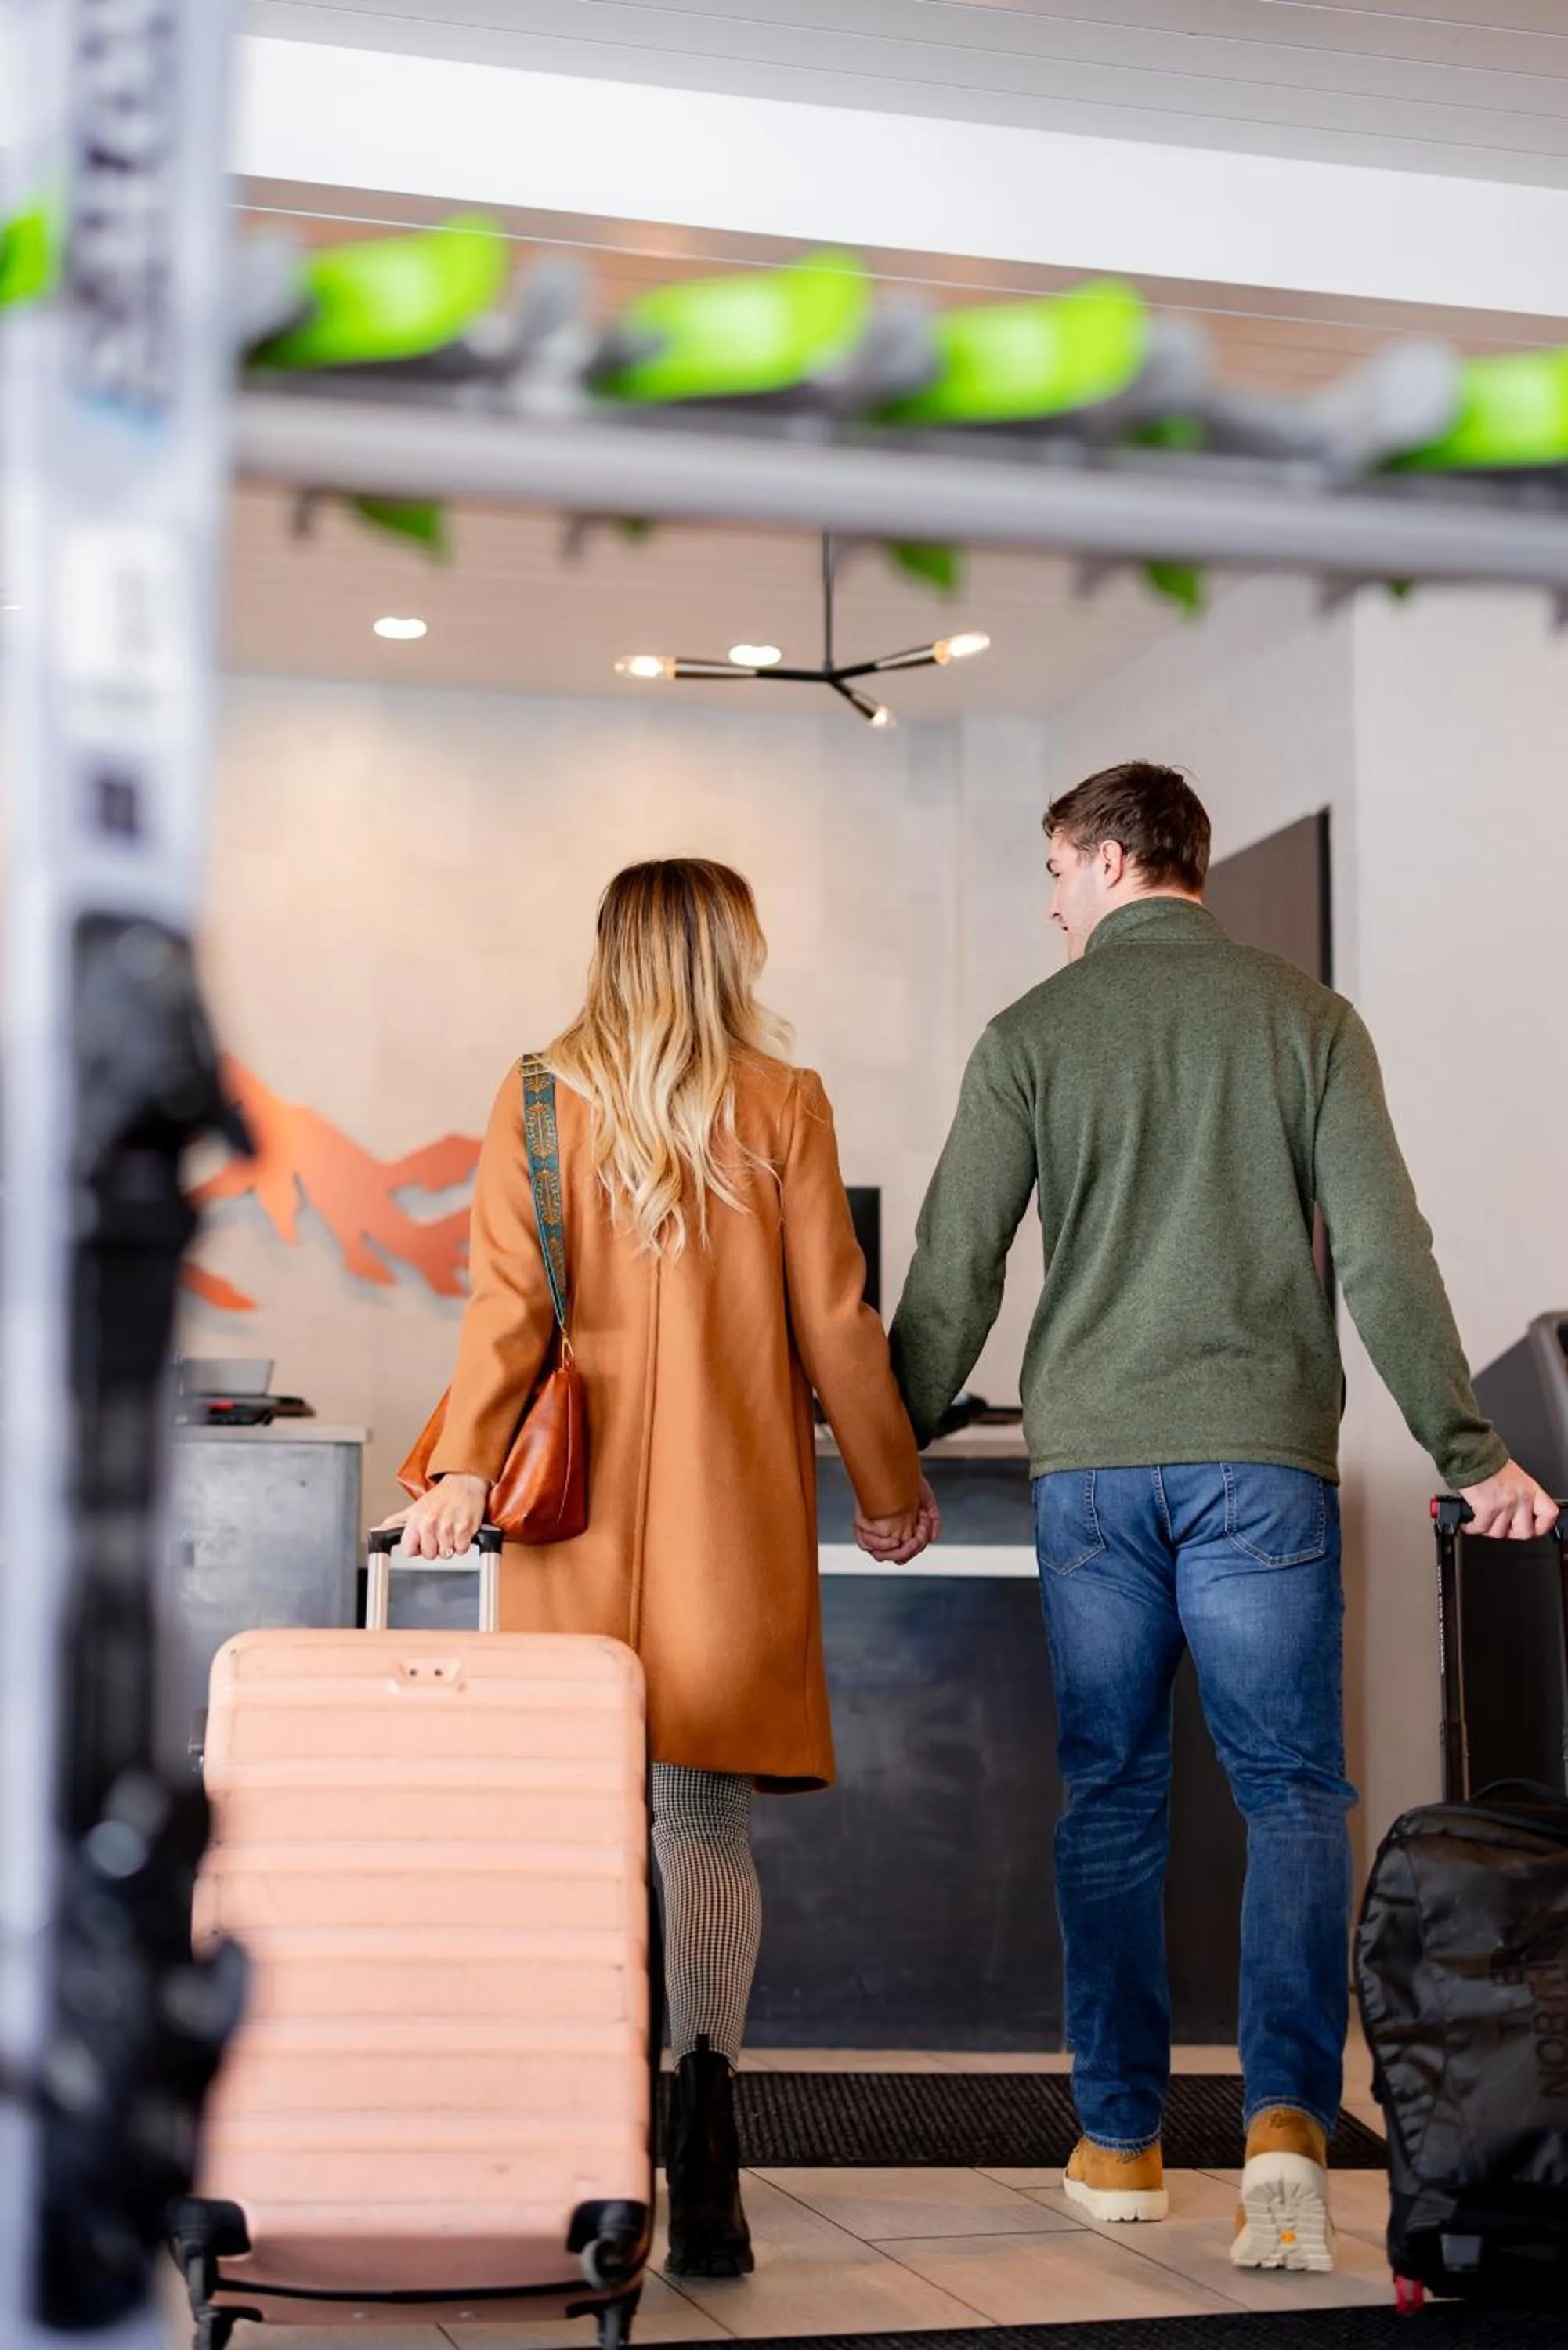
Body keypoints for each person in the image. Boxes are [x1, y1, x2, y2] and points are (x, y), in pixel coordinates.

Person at [884, 761, 1555, 2275]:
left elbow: (952, 1273)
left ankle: (1119, 2146)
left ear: (1115, 860)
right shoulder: (1305, 1020)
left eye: (1055, 867)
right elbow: (1387, 1253)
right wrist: (1469, 1449)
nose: (1050, 899)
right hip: (1261, 1466)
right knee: (1291, 1794)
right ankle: (1282, 2137)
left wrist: (889, 1446)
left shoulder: (1030, 1036)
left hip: (1094, 1479)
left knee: (1110, 1795)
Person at [384, 857, 938, 2280]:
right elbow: (834, 1316)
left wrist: (457, 1471)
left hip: (569, 1527)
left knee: (573, 1832)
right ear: (726, 952)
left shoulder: (533, 1096)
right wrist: (886, 1481)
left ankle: (578, 2146)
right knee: (700, 1829)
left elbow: (504, 1310)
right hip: (727, 1514)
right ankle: (707, 2155)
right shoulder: (782, 1102)